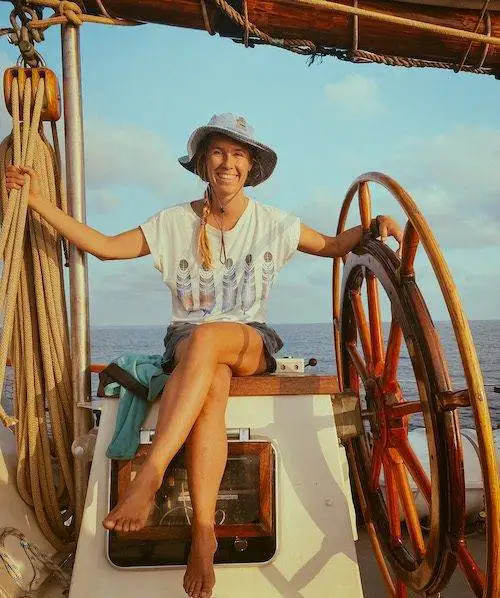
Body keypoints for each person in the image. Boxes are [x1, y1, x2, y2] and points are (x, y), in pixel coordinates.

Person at [5, 113, 402, 598]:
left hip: (249, 340)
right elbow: (106, 247)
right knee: (210, 380)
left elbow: (337, 246)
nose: (227, 162)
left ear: (251, 167)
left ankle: (149, 475)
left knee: (213, 337)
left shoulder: (276, 223)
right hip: (187, 346)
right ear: (202, 163)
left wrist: (373, 226)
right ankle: (205, 534)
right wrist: (36, 200)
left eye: (237, 155)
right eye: (218, 152)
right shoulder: (173, 222)